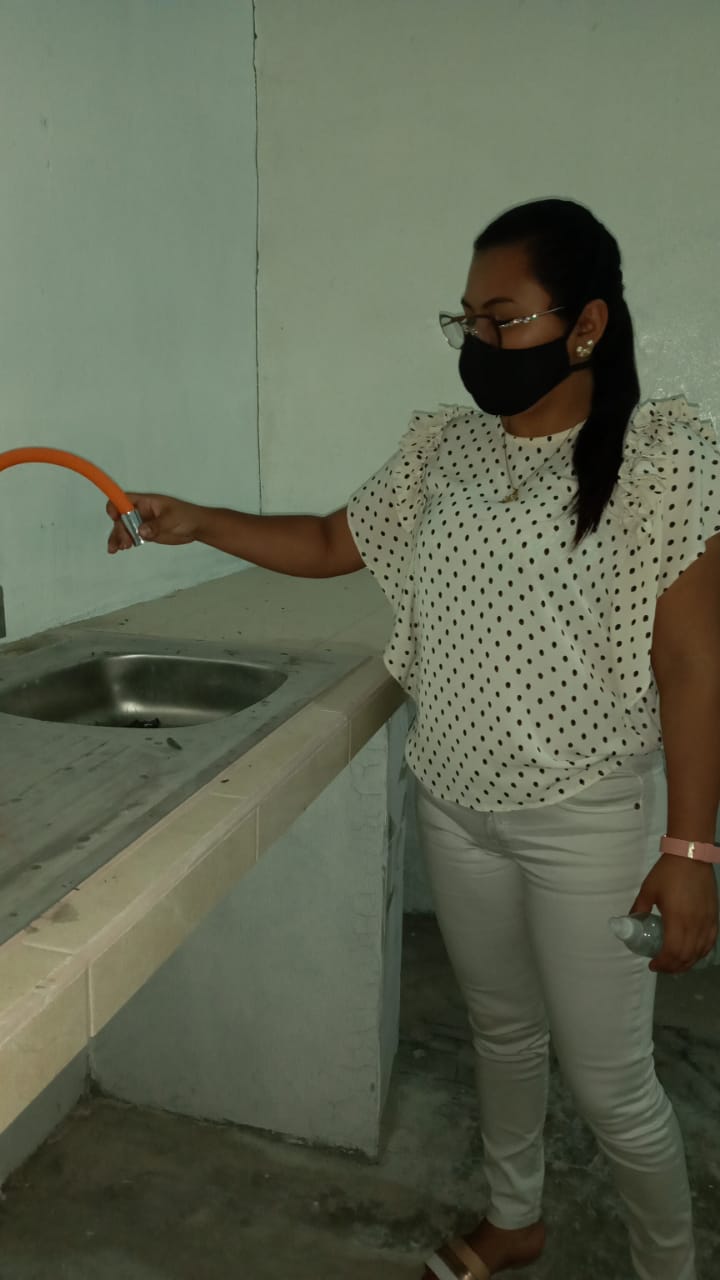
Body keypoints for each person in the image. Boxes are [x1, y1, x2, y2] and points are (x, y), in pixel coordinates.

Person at [107, 199, 720, 1280]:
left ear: (586, 325)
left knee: (611, 1085)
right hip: (456, 800)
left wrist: (690, 850)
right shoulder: (446, 449)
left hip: (590, 817)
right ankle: (515, 1218)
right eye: (467, 322)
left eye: (503, 319)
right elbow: (330, 540)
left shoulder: (662, 456)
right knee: (501, 1032)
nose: (479, 343)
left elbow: (693, 664)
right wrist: (196, 520)